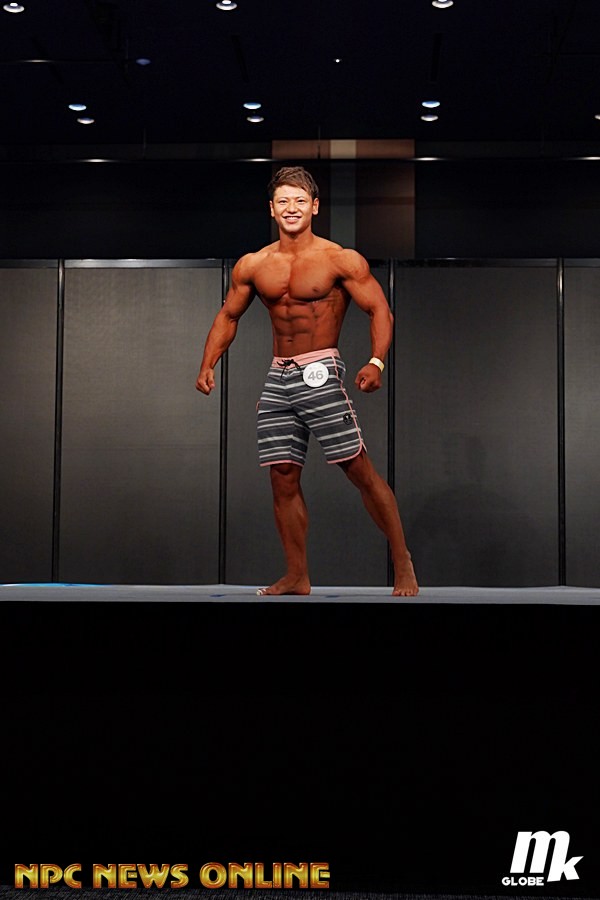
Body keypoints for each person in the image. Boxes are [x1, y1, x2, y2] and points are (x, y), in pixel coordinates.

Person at [196, 166, 418, 597]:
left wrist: (376, 361)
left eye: (299, 200)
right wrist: (208, 363)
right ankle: (297, 574)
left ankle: (401, 559)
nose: (291, 208)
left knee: (358, 470)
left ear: (314, 206)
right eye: (283, 201)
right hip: (278, 375)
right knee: (282, 476)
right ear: (271, 209)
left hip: (321, 370)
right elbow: (228, 315)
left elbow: (380, 310)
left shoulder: (340, 259)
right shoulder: (254, 264)